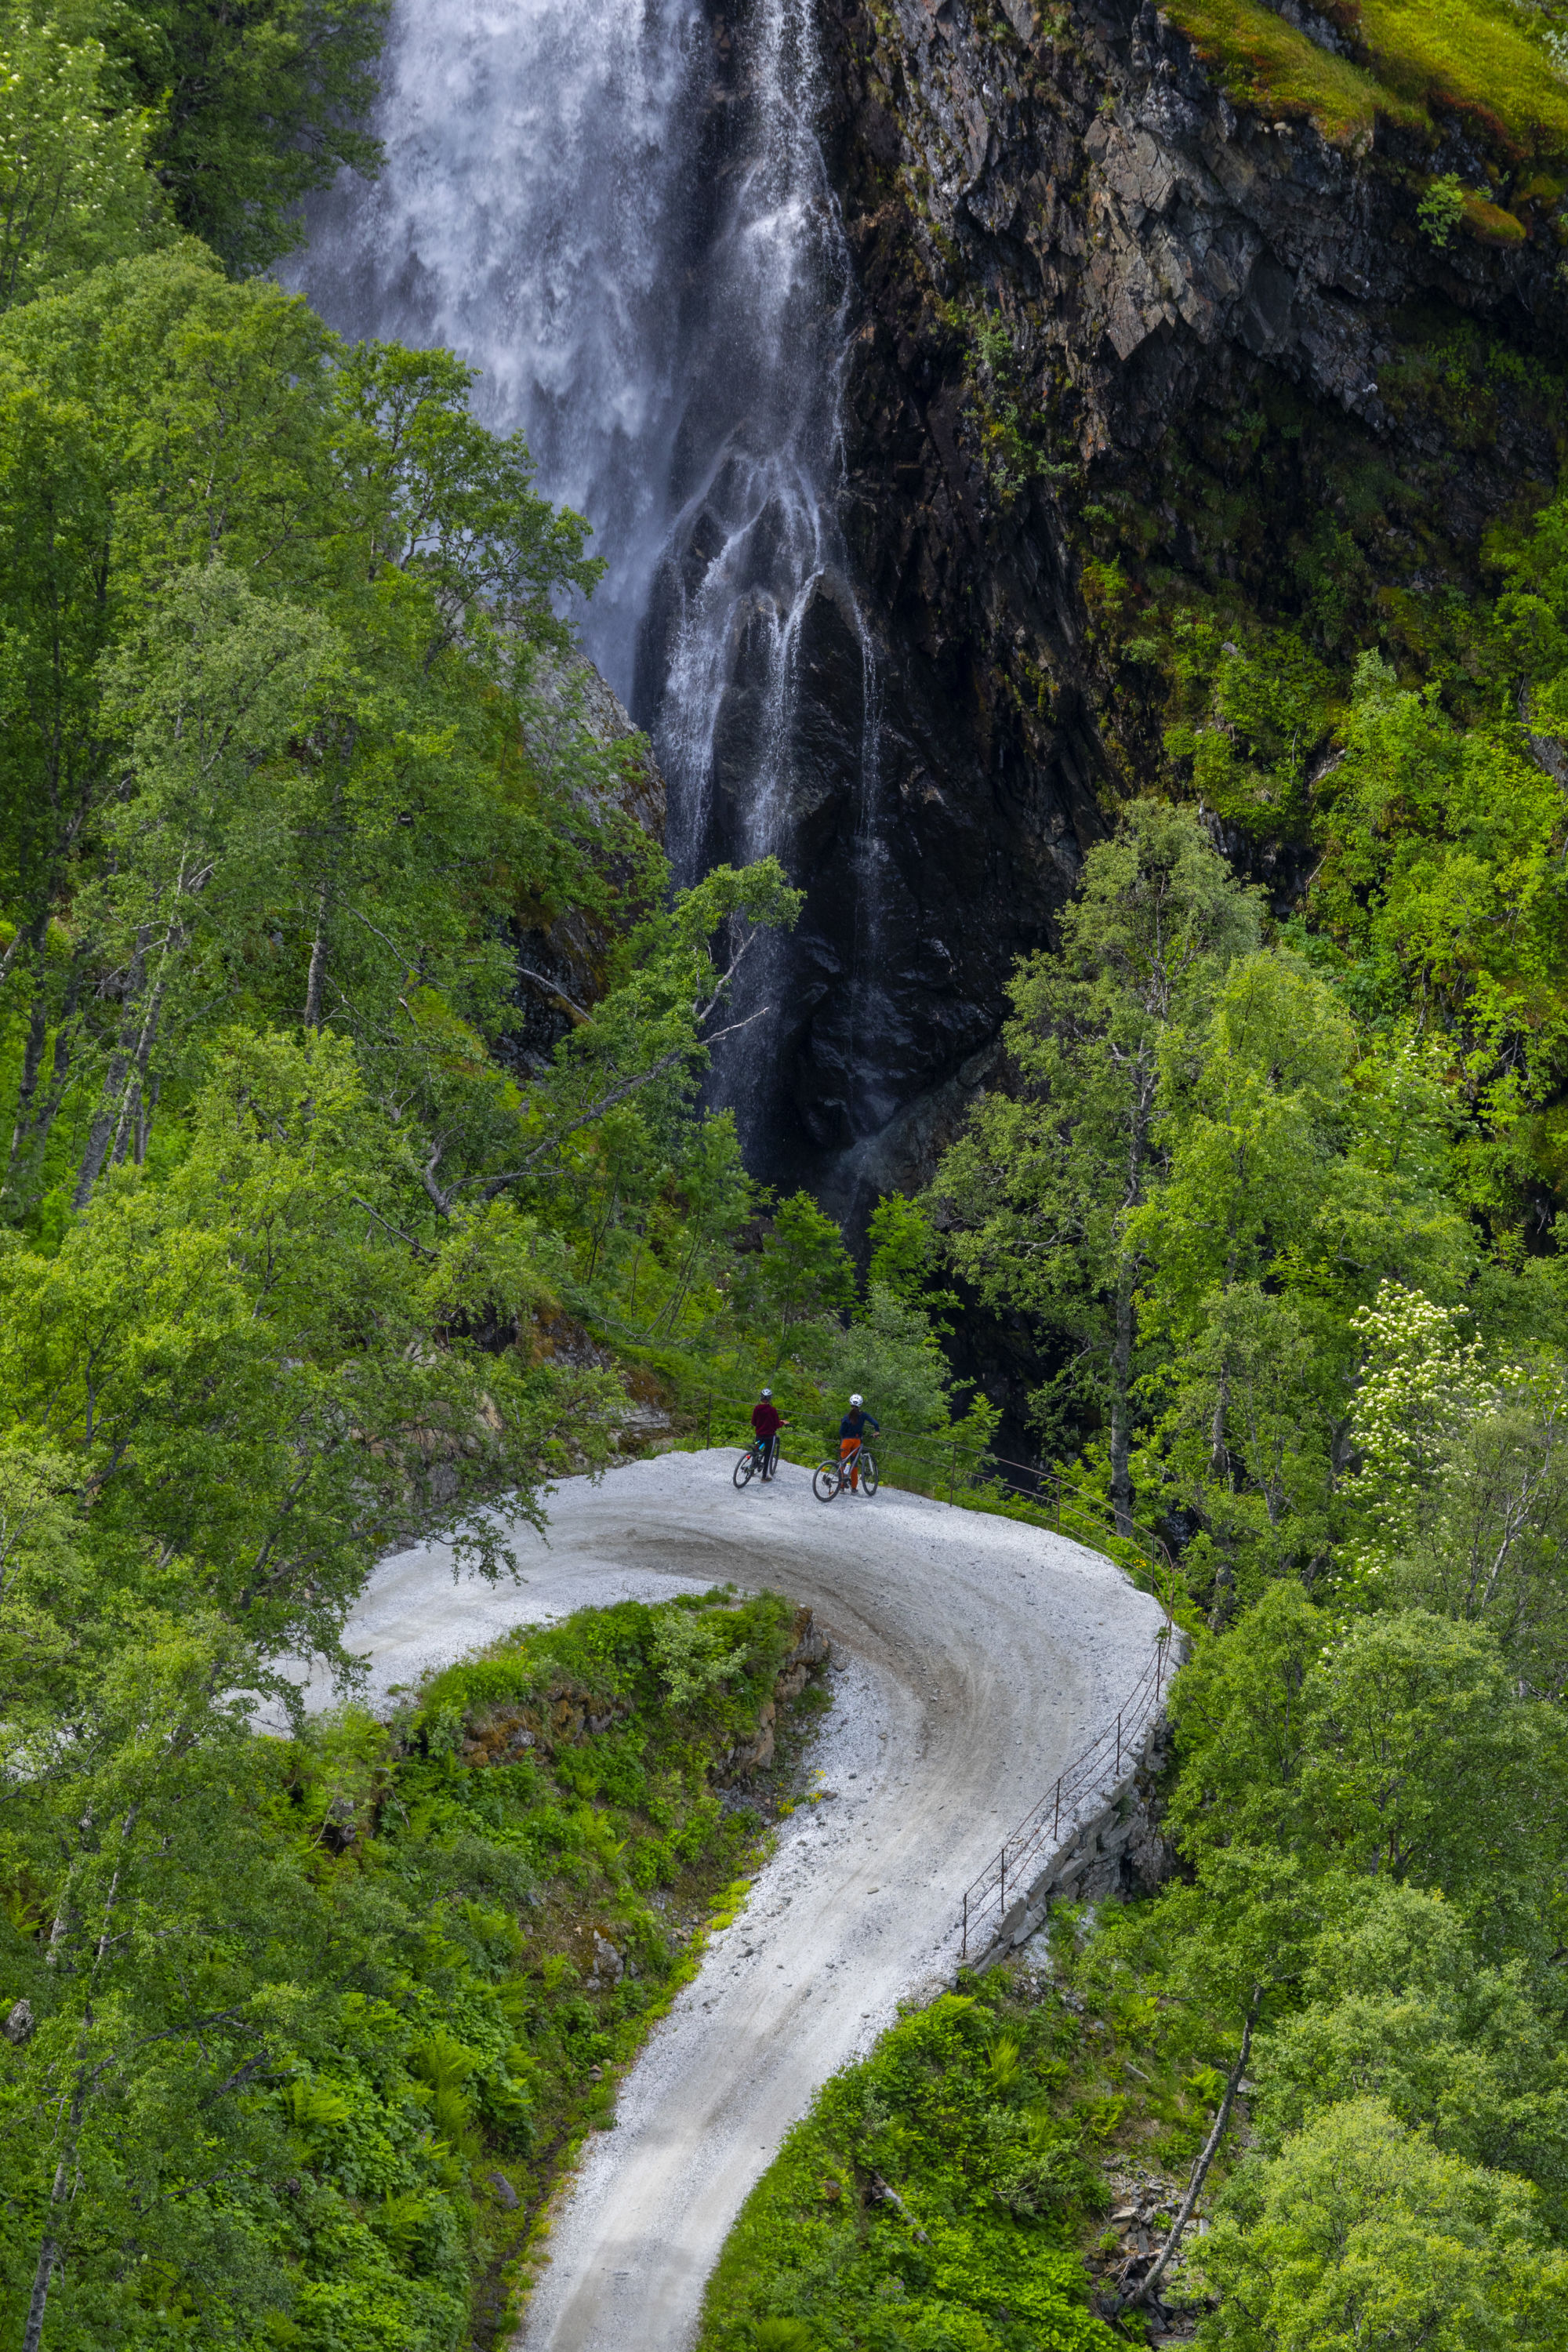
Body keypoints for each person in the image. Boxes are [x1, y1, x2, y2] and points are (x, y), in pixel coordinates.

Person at [838, 1392, 880, 1491]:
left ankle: (841, 1487)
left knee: (843, 1463)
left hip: (846, 1442)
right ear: (860, 1404)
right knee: (854, 1464)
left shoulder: (846, 1416)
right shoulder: (863, 1415)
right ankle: (853, 1488)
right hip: (857, 1442)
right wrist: (877, 1432)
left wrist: (845, 1437)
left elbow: (841, 1431)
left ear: (850, 1403)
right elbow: (875, 1423)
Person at [751, 1388, 787, 1480]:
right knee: (767, 1455)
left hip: (759, 1435)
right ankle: (764, 1477)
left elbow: (753, 1422)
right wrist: (782, 1423)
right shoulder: (772, 1410)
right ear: (770, 1399)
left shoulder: (757, 1409)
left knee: (756, 1450)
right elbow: (776, 1425)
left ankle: (751, 1470)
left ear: (761, 1398)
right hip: (769, 1437)